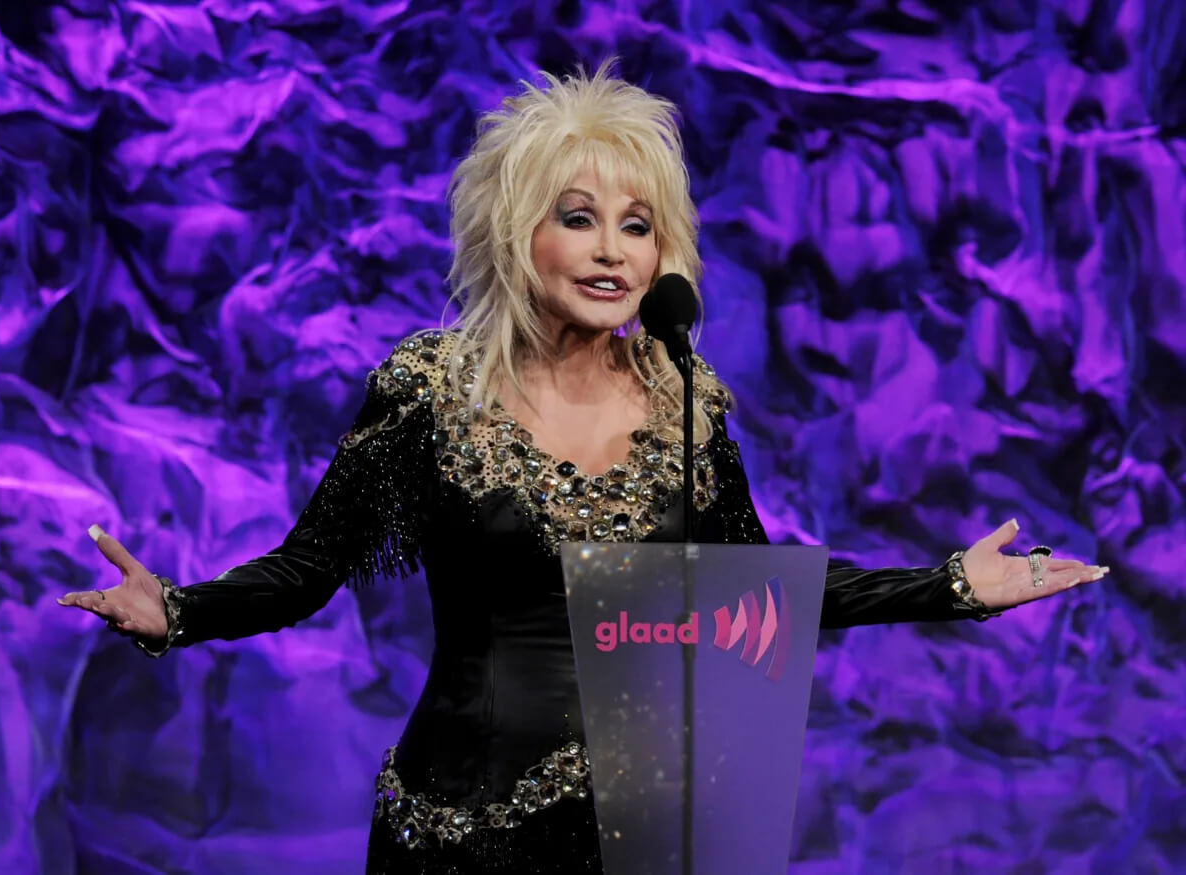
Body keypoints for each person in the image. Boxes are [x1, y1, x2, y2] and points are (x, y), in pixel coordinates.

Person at [57, 62, 1109, 874]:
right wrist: (179, 609)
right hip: (455, 829)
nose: (613, 249)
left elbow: (759, 586)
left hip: (638, 829)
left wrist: (955, 585)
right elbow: (309, 567)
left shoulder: (685, 404)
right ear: (519, 238)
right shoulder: (428, 392)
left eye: (638, 225)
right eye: (580, 217)